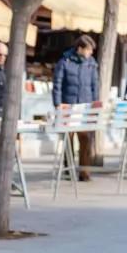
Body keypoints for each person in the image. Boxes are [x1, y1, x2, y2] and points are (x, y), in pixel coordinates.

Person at [51, 35, 101, 180]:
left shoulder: (91, 63)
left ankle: (85, 172)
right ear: (80, 49)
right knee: (69, 139)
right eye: (89, 50)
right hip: (68, 105)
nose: (91, 53)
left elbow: (95, 86)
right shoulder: (64, 62)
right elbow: (57, 85)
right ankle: (69, 168)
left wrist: (95, 104)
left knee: (86, 139)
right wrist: (58, 104)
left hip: (86, 106)